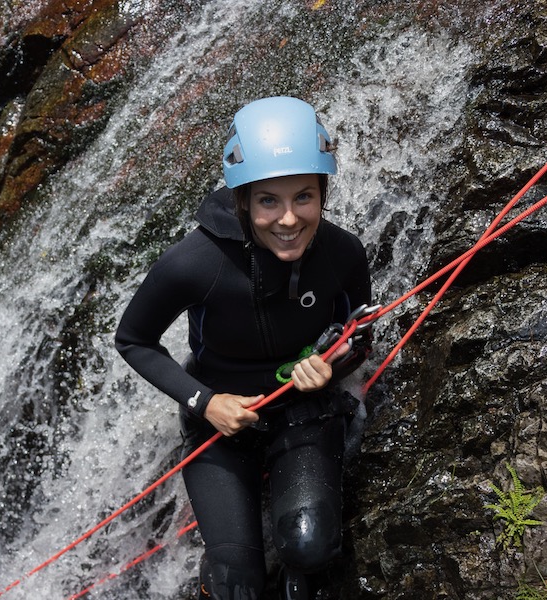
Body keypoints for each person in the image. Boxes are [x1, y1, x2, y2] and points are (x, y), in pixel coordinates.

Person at [115, 96, 372, 600]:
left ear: (322, 193)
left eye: (304, 197)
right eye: (269, 201)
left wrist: (332, 366)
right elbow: (133, 340)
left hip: (302, 411)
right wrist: (205, 402)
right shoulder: (194, 262)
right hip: (220, 423)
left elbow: (358, 335)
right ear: (244, 200)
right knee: (236, 584)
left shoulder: (342, 254)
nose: (289, 219)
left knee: (308, 548)